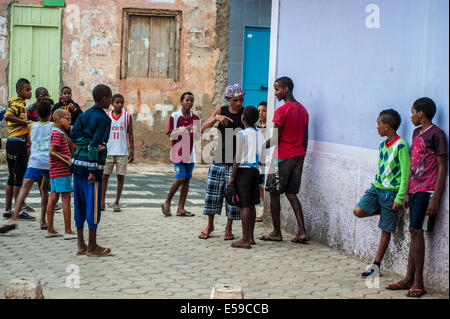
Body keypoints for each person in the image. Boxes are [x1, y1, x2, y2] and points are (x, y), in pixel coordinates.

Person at [386, 98, 447, 297]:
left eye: (413, 112)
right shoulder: (415, 132)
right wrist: (406, 193)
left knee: (417, 231)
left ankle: (418, 282)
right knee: (414, 232)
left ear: (421, 113)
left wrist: (436, 198)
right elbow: (413, 163)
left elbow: (442, 167)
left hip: (427, 190)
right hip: (414, 189)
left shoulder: (437, 135)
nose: (411, 116)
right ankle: (408, 278)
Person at [354, 109, 410, 278]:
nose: (377, 127)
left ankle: (376, 265)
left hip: (391, 193)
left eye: (379, 124)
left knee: (385, 230)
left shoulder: (401, 146)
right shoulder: (382, 145)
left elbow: (406, 173)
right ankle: (388, 213)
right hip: (377, 189)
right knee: (358, 210)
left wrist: (400, 197)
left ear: (387, 126)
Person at [260, 77, 310, 244]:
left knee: (273, 193)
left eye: (277, 89)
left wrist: (260, 147)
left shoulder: (281, 111)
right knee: (291, 194)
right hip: (298, 156)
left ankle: (276, 232)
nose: (275, 93)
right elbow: (305, 139)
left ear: (286, 89)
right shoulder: (303, 110)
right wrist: (301, 155)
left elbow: (274, 140)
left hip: (281, 157)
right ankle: (302, 231)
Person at [198, 84, 245, 240]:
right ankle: (210, 225)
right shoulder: (221, 111)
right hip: (218, 159)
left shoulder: (244, 113)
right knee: (212, 195)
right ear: (228, 99)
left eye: (241, 99)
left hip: (235, 163)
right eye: (235, 100)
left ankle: (228, 227)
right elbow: (202, 129)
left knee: (231, 196)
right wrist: (217, 118)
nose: (239, 103)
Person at [70, 84, 112, 256]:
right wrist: (93, 171)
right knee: (93, 205)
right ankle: (93, 246)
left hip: (77, 163)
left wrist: (85, 145)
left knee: (79, 203)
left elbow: (74, 136)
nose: (110, 100)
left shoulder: (84, 115)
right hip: (91, 168)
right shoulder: (104, 119)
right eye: (110, 97)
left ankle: (81, 243)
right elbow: (95, 145)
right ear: (105, 99)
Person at [0, 100, 53, 234]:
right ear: (50, 114)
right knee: (45, 190)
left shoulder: (31, 126)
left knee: (24, 189)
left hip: (34, 162)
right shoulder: (53, 126)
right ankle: (43, 220)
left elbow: (29, 143)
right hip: (47, 162)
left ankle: (13, 218)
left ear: (37, 114)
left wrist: (29, 158)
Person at [227, 106, 266, 249]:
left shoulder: (241, 134)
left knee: (244, 205)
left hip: (243, 172)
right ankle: (251, 237)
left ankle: (244, 239)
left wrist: (232, 176)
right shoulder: (260, 134)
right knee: (251, 204)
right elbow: (262, 156)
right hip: (256, 171)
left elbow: (237, 157)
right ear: (256, 120)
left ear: (243, 118)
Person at [162, 92, 199, 217]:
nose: (189, 102)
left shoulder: (196, 118)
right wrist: (186, 129)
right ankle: (167, 202)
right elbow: (170, 134)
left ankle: (181, 208)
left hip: (190, 154)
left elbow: (197, 136)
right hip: (178, 153)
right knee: (180, 178)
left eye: (191, 101)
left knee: (187, 180)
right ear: (181, 101)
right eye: (187, 100)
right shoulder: (175, 116)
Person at [2, 78, 34, 221]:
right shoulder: (17, 104)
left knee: (12, 176)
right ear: (19, 90)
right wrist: (25, 122)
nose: (30, 92)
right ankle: (17, 210)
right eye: (27, 90)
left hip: (13, 143)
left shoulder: (20, 104)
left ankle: (8, 210)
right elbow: (7, 116)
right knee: (18, 177)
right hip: (17, 144)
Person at [44, 109, 77, 239]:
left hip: (55, 171)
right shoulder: (58, 133)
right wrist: (67, 159)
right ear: (58, 119)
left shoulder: (59, 132)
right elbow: (52, 152)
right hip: (61, 171)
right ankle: (68, 230)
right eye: (67, 119)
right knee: (66, 199)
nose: (70, 121)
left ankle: (50, 229)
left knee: (53, 198)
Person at [101, 94, 134, 212]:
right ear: (112, 104)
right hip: (108, 151)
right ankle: (102, 201)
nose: (120, 105)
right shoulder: (107, 116)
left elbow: (130, 133)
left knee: (120, 177)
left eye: (121, 102)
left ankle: (116, 202)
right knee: (104, 177)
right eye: (117, 102)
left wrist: (132, 149)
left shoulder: (127, 116)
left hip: (122, 152)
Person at [256, 101, 267, 222]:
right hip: (257, 162)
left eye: (263, 110)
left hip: (266, 162)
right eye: (259, 110)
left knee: (265, 186)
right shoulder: (256, 126)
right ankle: (264, 209)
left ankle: (266, 211)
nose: (261, 113)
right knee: (259, 187)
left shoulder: (269, 127)